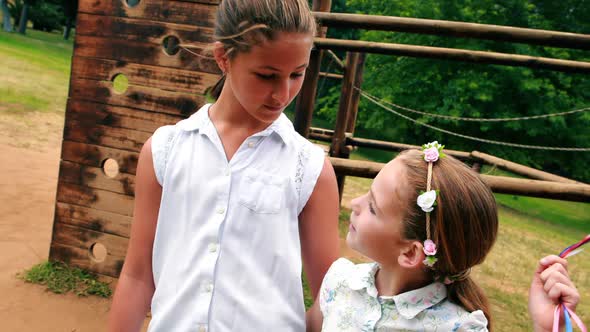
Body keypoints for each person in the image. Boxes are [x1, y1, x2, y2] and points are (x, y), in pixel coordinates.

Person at [107, 1, 340, 331]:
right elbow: (138, 275)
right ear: (223, 58)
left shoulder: (311, 169)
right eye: (266, 75)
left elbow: (330, 299)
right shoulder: (165, 150)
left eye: (297, 74)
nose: (283, 93)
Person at [306, 143, 582, 331]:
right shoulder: (339, 282)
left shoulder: (458, 327)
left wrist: (546, 327)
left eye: (372, 207)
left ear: (411, 253)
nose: (355, 203)